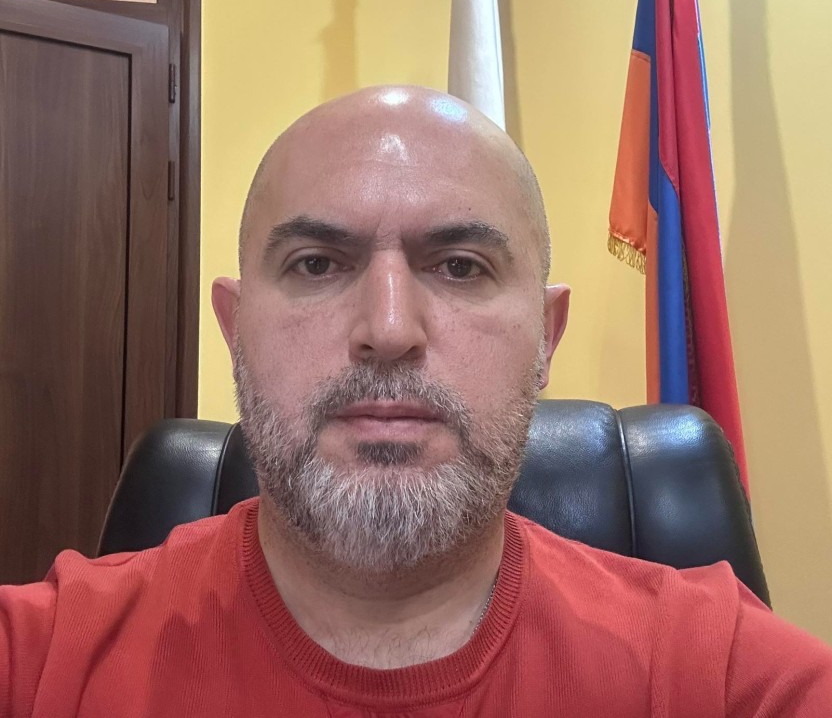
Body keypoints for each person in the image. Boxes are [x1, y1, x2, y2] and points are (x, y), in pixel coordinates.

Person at [2, 85, 831, 717]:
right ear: (234, 329)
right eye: (317, 264)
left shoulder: (717, 676)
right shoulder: (43, 662)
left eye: (460, 266)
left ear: (546, 338)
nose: (389, 329)